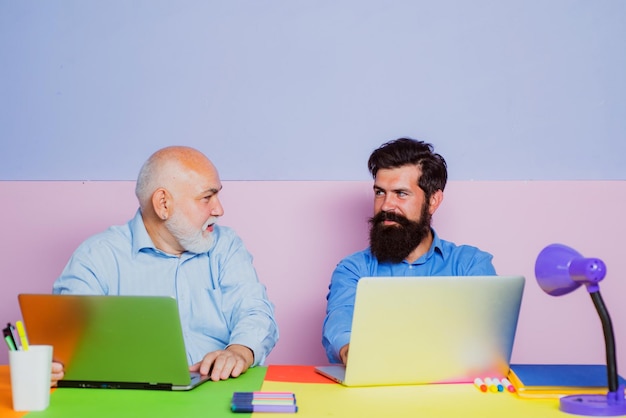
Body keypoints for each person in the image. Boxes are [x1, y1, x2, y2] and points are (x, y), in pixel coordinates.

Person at [50, 146, 279, 386]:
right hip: (131, 398)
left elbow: (255, 311)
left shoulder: (226, 245)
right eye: (206, 198)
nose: (219, 210)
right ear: (163, 204)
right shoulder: (97, 257)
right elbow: (68, 341)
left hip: (219, 390)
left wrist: (239, 351)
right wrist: (55, 365)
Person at [322, 138, 496, 364]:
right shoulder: (353, 269)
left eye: (401, 193)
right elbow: (340, 320)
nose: (386, 205)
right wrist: (350, 351)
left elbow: (489, 340)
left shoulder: (471, 265)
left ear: (433, 200)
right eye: (380, 192)